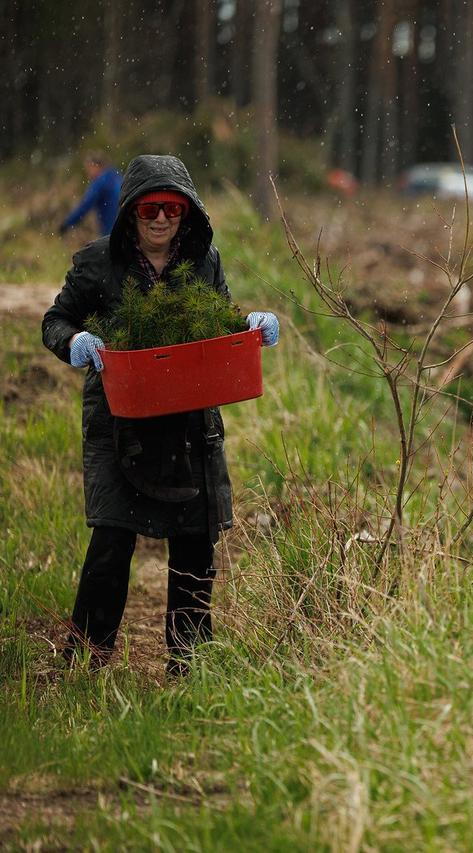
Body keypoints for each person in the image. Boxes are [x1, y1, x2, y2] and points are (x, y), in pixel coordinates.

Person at [42, 154, 281, 676]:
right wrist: (74, 340)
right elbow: (55, 319)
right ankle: (86, 659)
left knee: (195, 541)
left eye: (172, 209)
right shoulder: (98, 262)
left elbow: (219, 320)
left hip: (188, 421)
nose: (160, 219)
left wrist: (248, 327)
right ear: (131, 211)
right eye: (150, 208)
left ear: (186, 212)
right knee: (111, 539)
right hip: (119, 420)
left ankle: (188, 663)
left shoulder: (202, 260)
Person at [59, 152, 123, 237]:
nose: (87, 172)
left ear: (96, 166)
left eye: (88, 168)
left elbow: (84, 206)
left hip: (110, 230)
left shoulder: (100, 182)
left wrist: (66, 224)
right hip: (125, 226)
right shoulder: (116, 176)